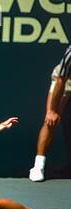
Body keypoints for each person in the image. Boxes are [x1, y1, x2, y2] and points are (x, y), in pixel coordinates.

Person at [29, 46, 71, 182]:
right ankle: (38, 166)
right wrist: (52, 110)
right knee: (51, 120)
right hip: (66, 79)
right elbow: (61, 80)